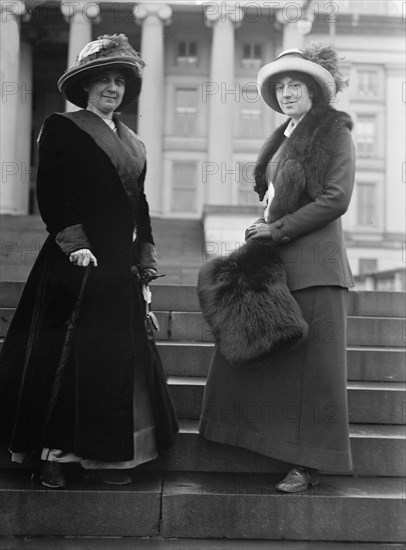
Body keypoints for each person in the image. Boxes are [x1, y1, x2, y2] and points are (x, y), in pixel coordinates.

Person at [0, 34, 178, 488]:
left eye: (119, 81)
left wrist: (145, 261)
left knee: (111, 362)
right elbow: (54, 192)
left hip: (119, 269)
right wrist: (75, 241)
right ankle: (53, 457)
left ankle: (108, 457)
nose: (112, 89)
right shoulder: (61, 127)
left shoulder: (135, 143)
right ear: (85, 87)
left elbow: (140, 208)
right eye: (102, 80)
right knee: (66, 359)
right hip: (74, 263)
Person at [199, 42, 355, 493]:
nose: (287, 93)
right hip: (280, 266)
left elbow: (336, 199)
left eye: (296, 85)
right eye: (281, 86)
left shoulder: (333, 133)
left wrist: (279, 227)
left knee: (315, 376)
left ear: (314, 92)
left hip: (317, 269)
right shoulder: (287, 138)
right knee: (246, 348)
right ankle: (241, 435)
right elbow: (276, 202)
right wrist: (264, 224)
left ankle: (308, 465)